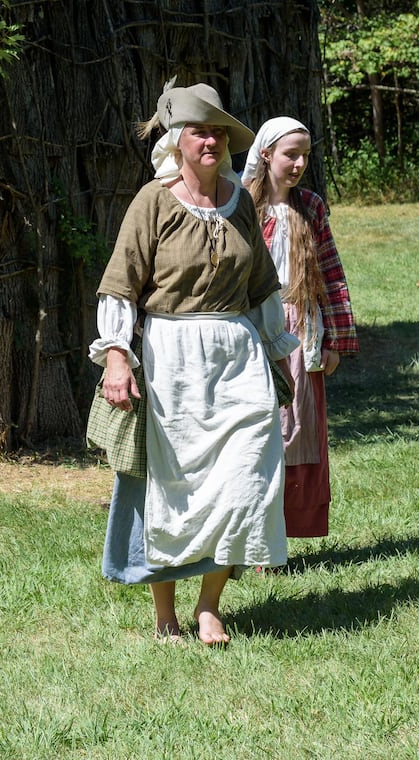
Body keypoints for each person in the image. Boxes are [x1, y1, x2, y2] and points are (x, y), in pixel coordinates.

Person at [91, 80, 298, 644]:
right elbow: (121, 284)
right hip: (172, 358)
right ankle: (166, 615)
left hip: (237, 354)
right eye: (199, 131)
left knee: (248, 475)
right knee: (172, 485)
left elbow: (261, 287)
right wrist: (117, 356)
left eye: (218, 132)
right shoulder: (152, 201)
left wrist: (278, 356)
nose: (210, 141)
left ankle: (211, 604)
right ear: (178, 141)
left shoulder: (241, 203)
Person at [240, 118, 356, 540]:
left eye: (305, 154)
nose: (300, 163)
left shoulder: (311, 206)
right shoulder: (240, 205)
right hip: (252, 325)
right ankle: (250, 532)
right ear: (266, 153)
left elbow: (331, 274)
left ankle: (282, 530)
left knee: (297, 429)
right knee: (255, 427)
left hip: (301, 325)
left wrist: (336, 341)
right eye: (291, 154)